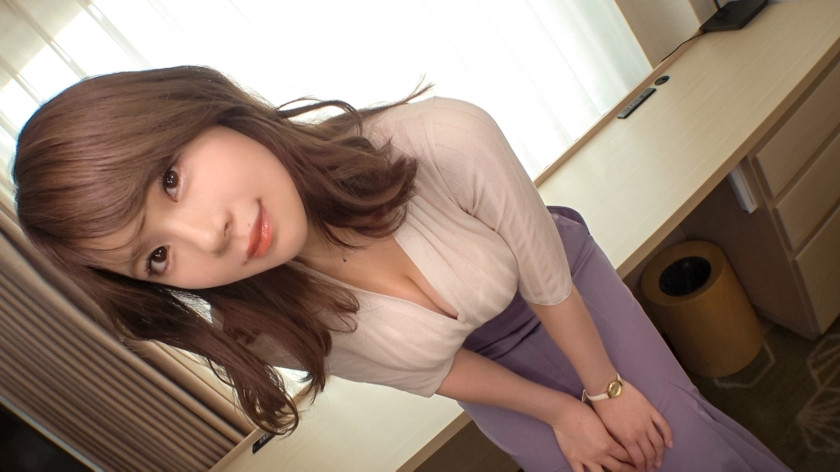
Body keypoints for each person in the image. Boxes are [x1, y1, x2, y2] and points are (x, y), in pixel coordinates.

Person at [13, 66, 789, 472]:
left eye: (170, 180)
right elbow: (437, 372)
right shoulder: (266, 326)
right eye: (157, 255)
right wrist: (562, 415)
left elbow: (544, 269)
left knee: (682, 443)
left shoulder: (442, 139)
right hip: (482, 374)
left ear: (199, 109)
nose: (207, 236)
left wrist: (604, 389)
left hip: (558, 288)